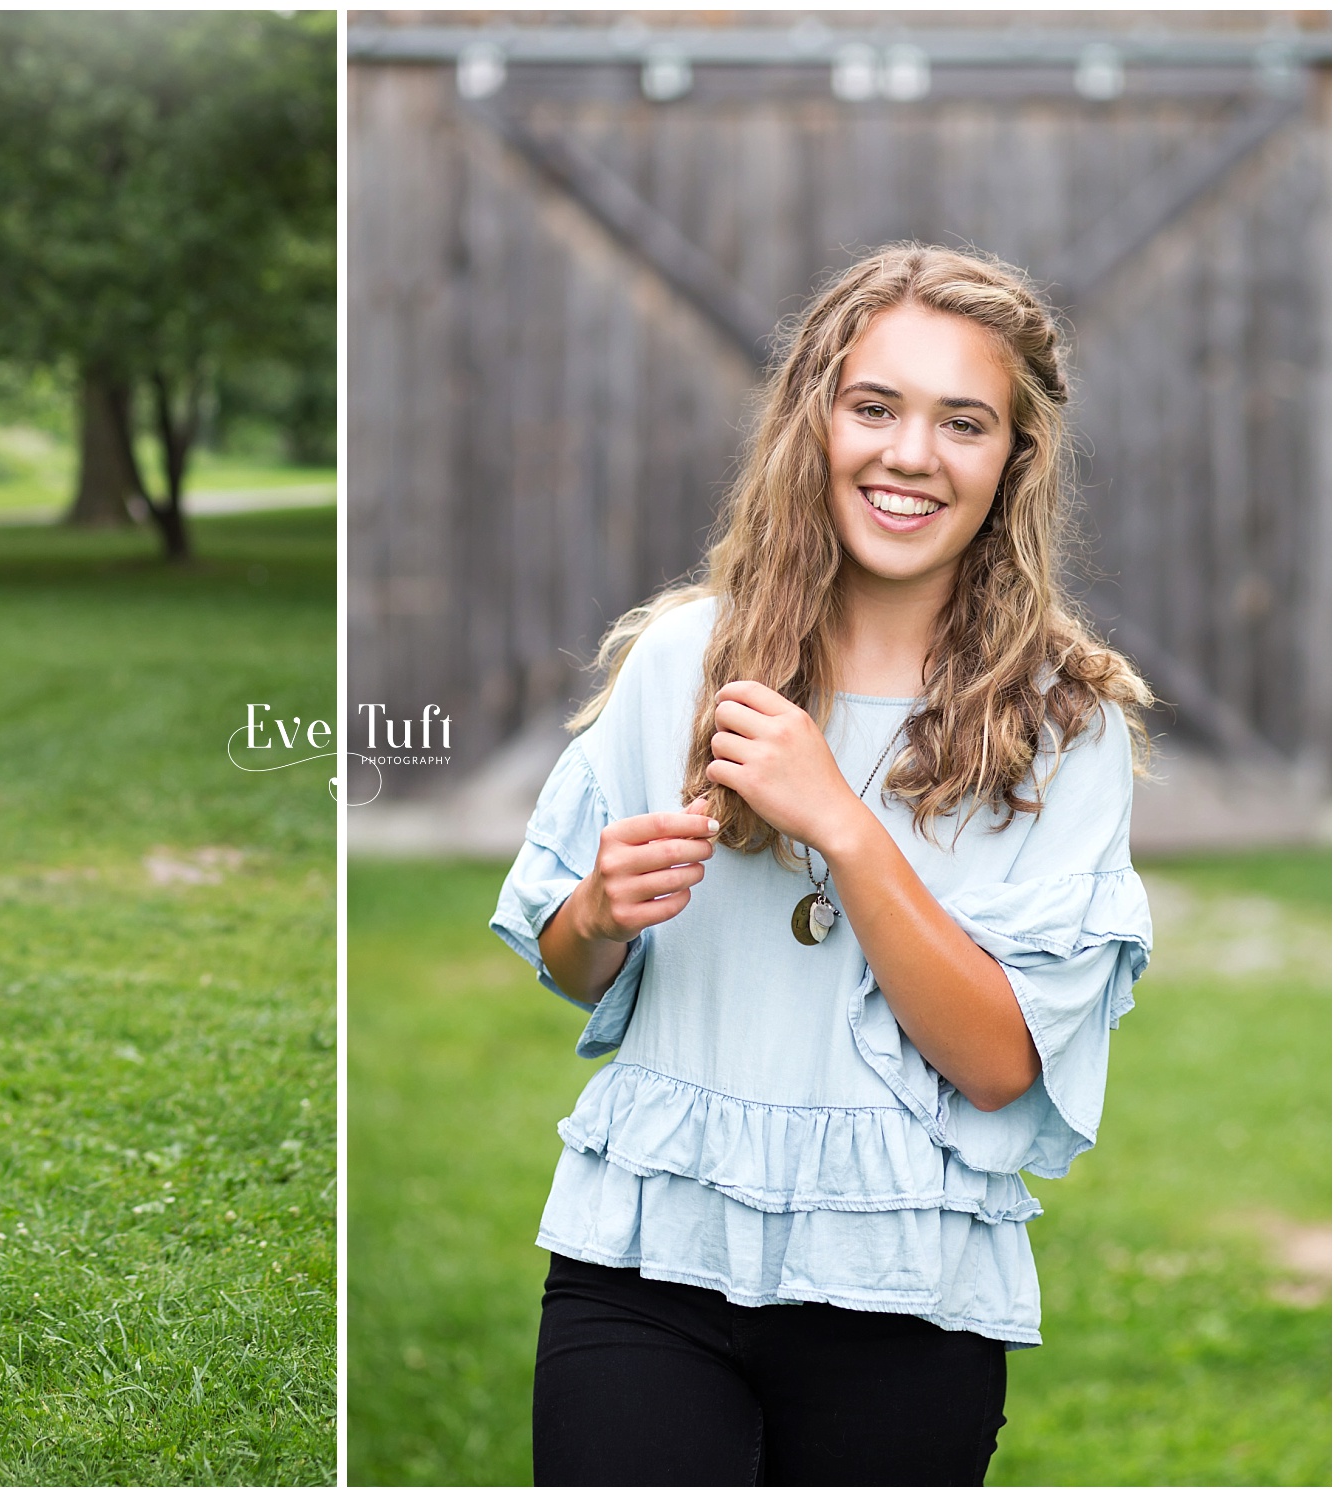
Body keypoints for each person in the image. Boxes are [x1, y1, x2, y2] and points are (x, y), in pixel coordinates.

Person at [490, 244, 1153, 1485]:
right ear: (814, 420)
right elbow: (573, 970)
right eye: (873, 407)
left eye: (962, 422)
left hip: (901, 1285)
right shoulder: (683, 660)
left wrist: (839, 824)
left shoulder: (1061, 725)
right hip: (644, 1266)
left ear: (1013, 462)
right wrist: (597, 910)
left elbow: (999, 1064)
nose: (909, 454)